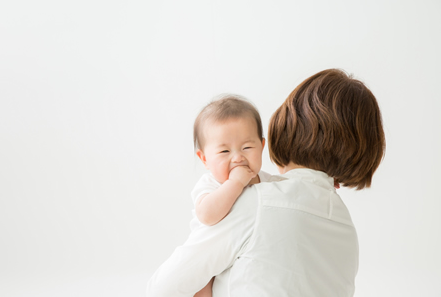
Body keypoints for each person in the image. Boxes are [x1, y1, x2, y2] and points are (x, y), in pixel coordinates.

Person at [146, 68, 386, 297]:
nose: (238, 157)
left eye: (247, 146)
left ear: (288, 126)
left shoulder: (255, 201)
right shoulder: (346, 227)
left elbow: (164, 287)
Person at [190, 95, 274, 296]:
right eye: (224, 151)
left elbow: (291, 193)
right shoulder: (210, 184)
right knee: (198, 284)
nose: (237, 157)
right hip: (210, 254)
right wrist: (235, 183)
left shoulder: (269, 182)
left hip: (248, 253)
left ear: (262, 147)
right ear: (204, 159)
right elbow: (207, 215)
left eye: (247, 147)